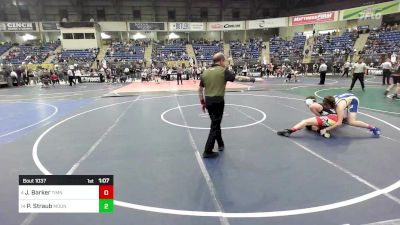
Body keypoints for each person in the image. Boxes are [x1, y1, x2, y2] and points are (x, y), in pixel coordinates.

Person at [198, 52, 259, 158]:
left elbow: (200, 89)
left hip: (208, 101)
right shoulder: (223, 71)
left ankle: (220, 144)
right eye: (224, 61)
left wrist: (202, 102)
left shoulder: (205, 72)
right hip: (218, 101)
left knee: (215, 123)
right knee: (215, 125)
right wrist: (252, 79)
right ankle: (207, 150)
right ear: (221, 61)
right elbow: (238, 78)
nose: (225, 63)